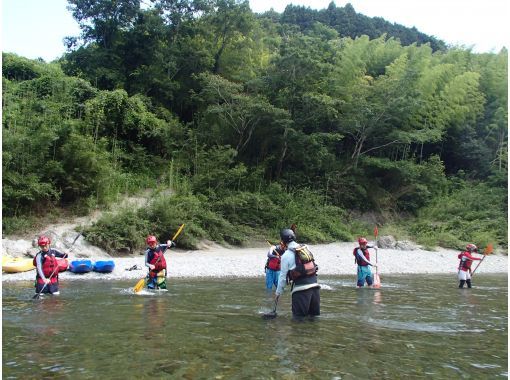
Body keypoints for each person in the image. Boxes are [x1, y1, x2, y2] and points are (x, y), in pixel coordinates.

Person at [275, 228, 320, 320]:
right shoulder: (305, 247)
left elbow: (283, 278)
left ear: (283, 241)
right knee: (314, 320)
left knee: (298, 321)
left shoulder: (285, 256)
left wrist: (278, 293)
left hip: (301, 291)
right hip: (315, 288)